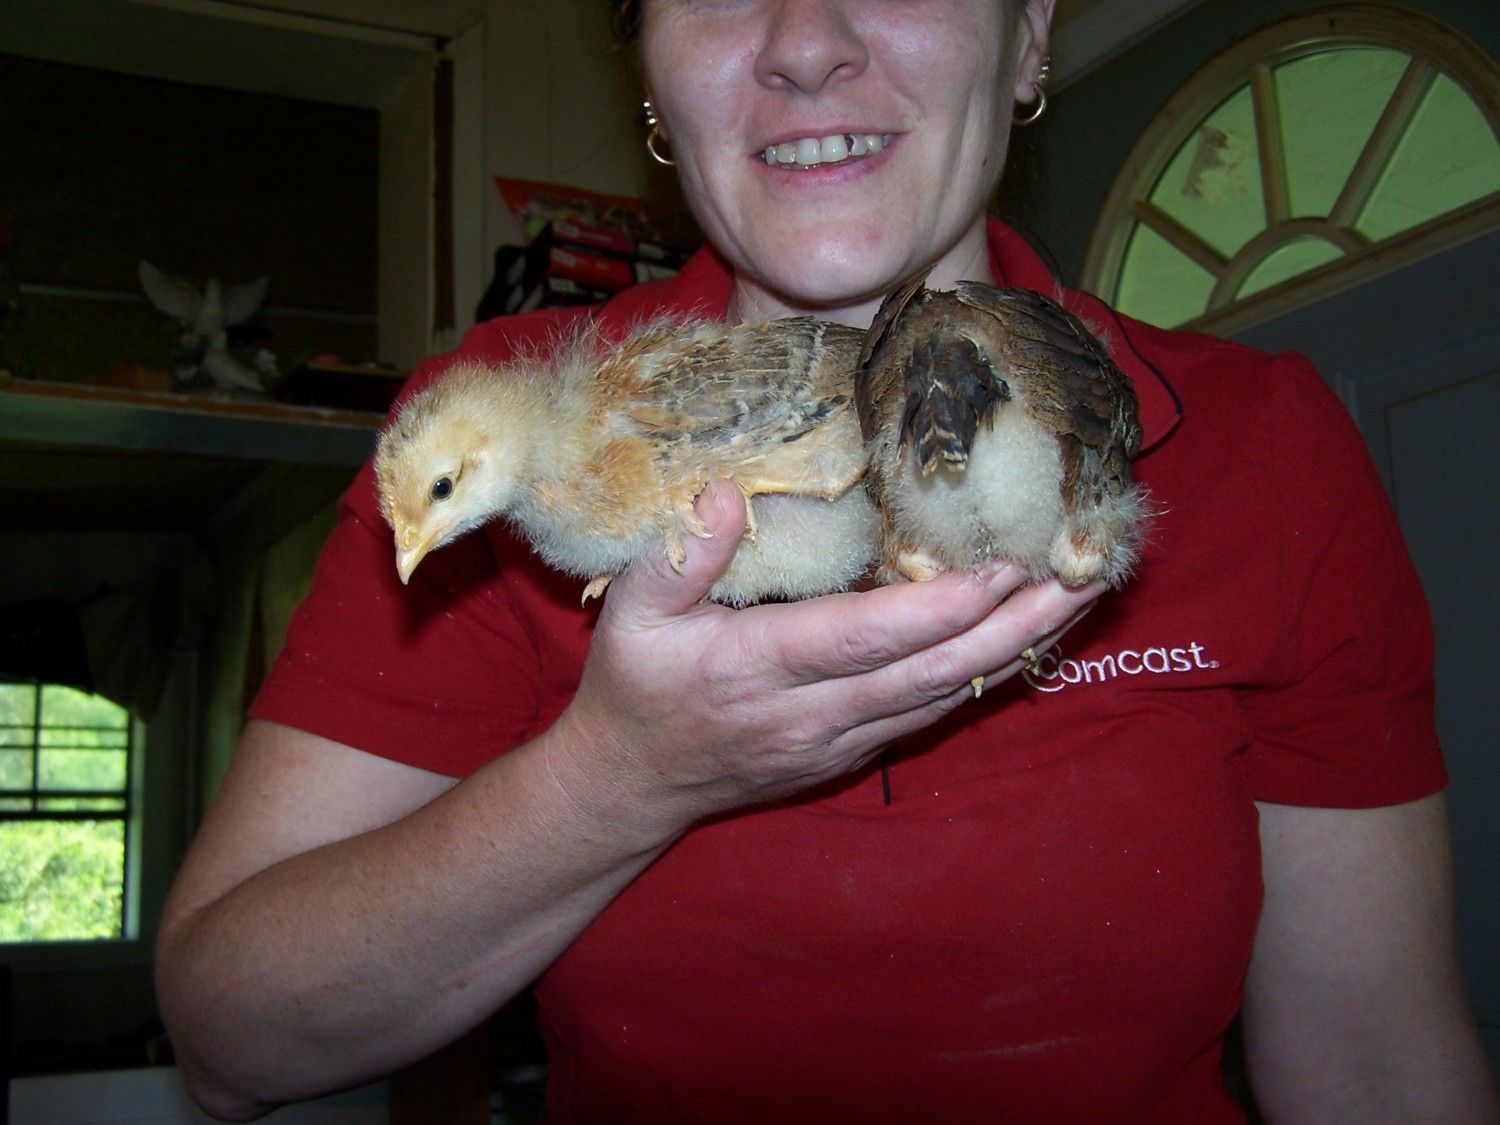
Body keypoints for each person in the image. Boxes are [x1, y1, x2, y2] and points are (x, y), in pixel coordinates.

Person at [156, 0, 1500, 1120]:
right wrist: (618, 778)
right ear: (648, 69)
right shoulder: (491, 440)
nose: (805, 42)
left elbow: (1376, 1058)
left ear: (1031, 33)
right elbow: (231, 1039)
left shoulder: (1266, 446)